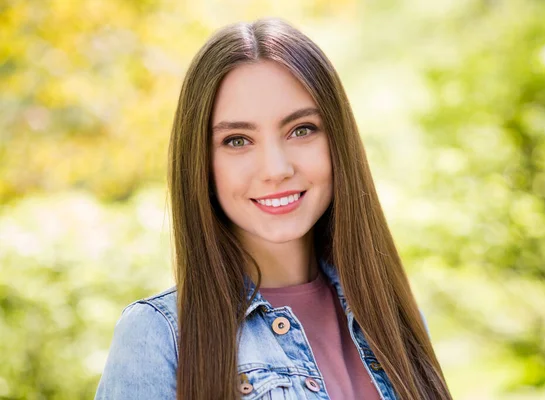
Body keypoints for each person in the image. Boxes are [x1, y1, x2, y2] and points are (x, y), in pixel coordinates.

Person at [95, 17, 452, 400]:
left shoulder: (391, 315)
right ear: (200, 161)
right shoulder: (159, 336)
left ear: (338, 140)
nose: (276, 169)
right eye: (237, 140)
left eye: (301, 130)